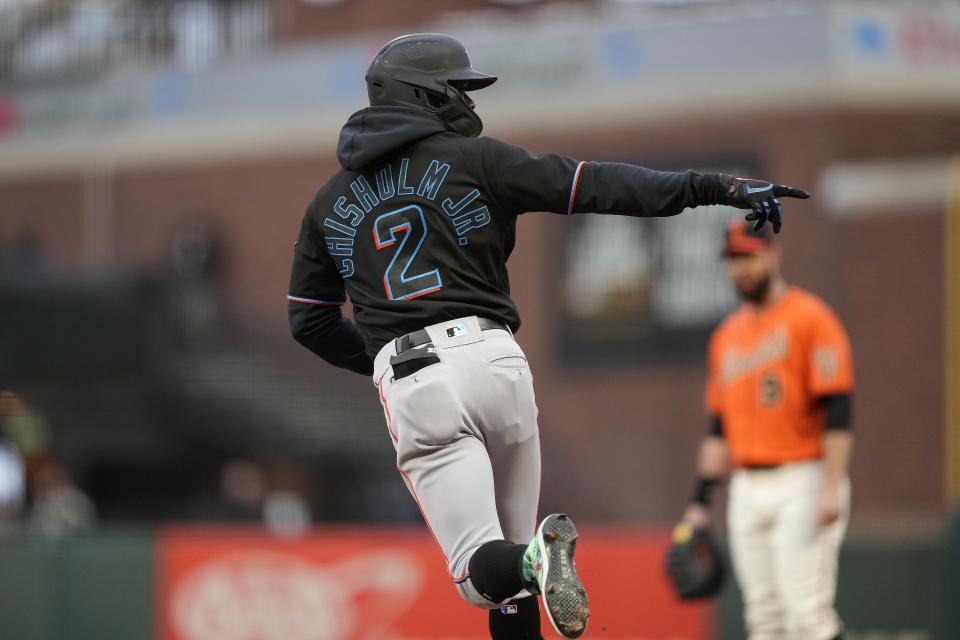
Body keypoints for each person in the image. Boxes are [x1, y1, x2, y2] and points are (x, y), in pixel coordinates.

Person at [287, 33, 808, 640]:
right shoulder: (478, 160)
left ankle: (538, 558)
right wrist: (717, 187)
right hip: (497, 360)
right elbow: (602, 185)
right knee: (513, 580)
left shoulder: (327, 203)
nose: (471, 104)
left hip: (413, 373)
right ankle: (534, 561)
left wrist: (381, 358)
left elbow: (310, 321)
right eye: (459, 89)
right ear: (423, 94)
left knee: (481, 575)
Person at [679, 222, 853, 640]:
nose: (740, 268)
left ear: (773, 255)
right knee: (763, 619)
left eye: (748, 257)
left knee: (806, 616)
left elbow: (839, 410)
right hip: (747, 487)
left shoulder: (812, 318)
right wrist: (700, 502)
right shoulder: (725, 337)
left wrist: (831, 485)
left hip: (804, 477)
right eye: (733, 260)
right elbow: (718, 429)